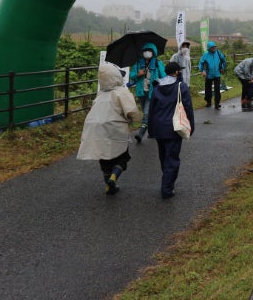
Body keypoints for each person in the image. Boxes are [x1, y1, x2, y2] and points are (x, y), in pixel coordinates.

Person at [76, 62, 141, 195]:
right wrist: (136, 121)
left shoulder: (100, 94)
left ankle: (108, 185)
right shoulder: (121, 92)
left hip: (94, 126)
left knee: (103, 155)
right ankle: (114, 177)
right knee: (123, 156)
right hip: (114, 126)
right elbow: (131, 110)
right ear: (116, 77)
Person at [146, 62, 195, 199]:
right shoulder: (181, 87)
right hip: (174, 127)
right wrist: (191, 126)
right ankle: (167, 189)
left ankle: (167, 182)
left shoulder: (157, 86)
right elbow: (188, 108)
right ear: (177, 72)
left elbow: (151, 110)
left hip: (158, 127)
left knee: (163, 157)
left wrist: (151, 129)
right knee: (172, 158)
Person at [129, 42, 166, 143]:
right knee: (148, 113)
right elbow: (132, 76)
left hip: (152, 92)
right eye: (145, 51)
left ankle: (140, 134)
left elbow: (163, 77)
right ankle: (153, 131)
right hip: (141, 92)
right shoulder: (138, 63)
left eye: (149, 51)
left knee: (146, 113)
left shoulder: (158, 63)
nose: (147, 53)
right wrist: (138, 74)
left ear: (153, 52)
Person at [198, 41, 227, 109]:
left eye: (215, 47)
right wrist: (202, 71)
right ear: (209, 48)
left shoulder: (218, 53)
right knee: (208, 89)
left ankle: (217, 104)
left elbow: (223, 60)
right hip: (208, 75)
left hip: (217, 74)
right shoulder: (206, 54)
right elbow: (201, 63)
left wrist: (222, 67)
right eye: (212, 47)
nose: (214, 48)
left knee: (217, 90)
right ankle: (208, 102)